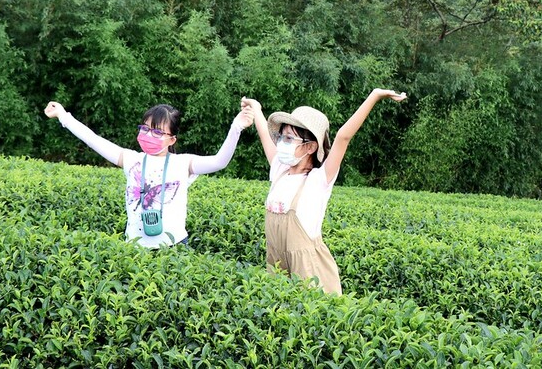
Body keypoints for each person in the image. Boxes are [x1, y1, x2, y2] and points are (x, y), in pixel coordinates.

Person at [241, 89, 407, 295]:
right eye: (282, 137)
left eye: (289, 138)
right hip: (276, 263)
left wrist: (374, 96)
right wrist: (256, 108)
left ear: (311, 147)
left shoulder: (318, 180)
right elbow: (264, 133)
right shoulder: (279, 170)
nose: (282, 143)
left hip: (309, 267)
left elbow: (343, 137)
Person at [44, 101, 253, 248]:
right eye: (145, 128)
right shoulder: (131, 159)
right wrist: (63, 115)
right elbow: (93, 139)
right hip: (134, 247)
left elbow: (219, 161)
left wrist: (236, 128)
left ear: (172, 140)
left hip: (174, 246)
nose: (148, 135)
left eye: (157, 132)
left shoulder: (183, 163)